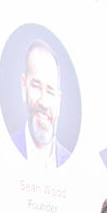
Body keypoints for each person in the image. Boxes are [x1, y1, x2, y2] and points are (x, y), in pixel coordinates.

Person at [16, 39, 71, 167]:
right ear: (24, 87)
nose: (43, 102)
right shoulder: (5, 147)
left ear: (59, 101)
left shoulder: (69, 162)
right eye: (36, 86)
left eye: (50, 91)